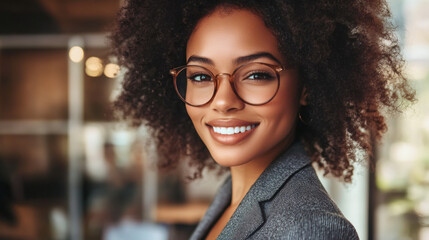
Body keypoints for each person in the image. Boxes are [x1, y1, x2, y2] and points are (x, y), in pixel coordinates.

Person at [111, 0, 415, 239]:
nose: (223, 101)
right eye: (201, 76)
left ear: (306, 87)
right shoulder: (231, 197)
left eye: (257, 74)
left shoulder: (312, 229)